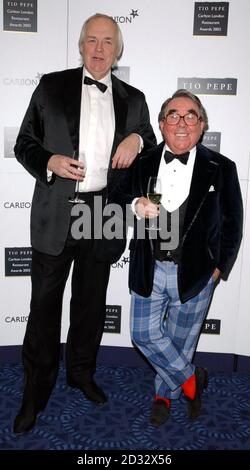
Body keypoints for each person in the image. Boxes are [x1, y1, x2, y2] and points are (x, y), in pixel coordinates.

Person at [13, 13, 156, 434]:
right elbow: (24, 144)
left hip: (103, 210)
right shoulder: (51, 86)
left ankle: (80, 373)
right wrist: (50, 162)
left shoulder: (134, 98)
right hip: (58, 209)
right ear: (80, 45)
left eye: (107, 41)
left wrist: (138, 138)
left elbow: (148, 140)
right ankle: (34, 393)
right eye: (91, 40)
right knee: (43, 309)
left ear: (117, 49)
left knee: (91, 304)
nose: (98, 49)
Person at [109, 89, 243, 427]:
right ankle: (192, 377)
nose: (181, 123)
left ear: (201, 125)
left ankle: (162, 395)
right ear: (161, 123)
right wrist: (134, 206)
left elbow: (233, 224)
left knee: (181, 341)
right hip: (148, 267)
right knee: (142, 334)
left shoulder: (222, 168)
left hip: (197, 273)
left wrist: (219, 270)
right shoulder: (143, 161)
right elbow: (113, 202)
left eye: (190, 116)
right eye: (173, 115)